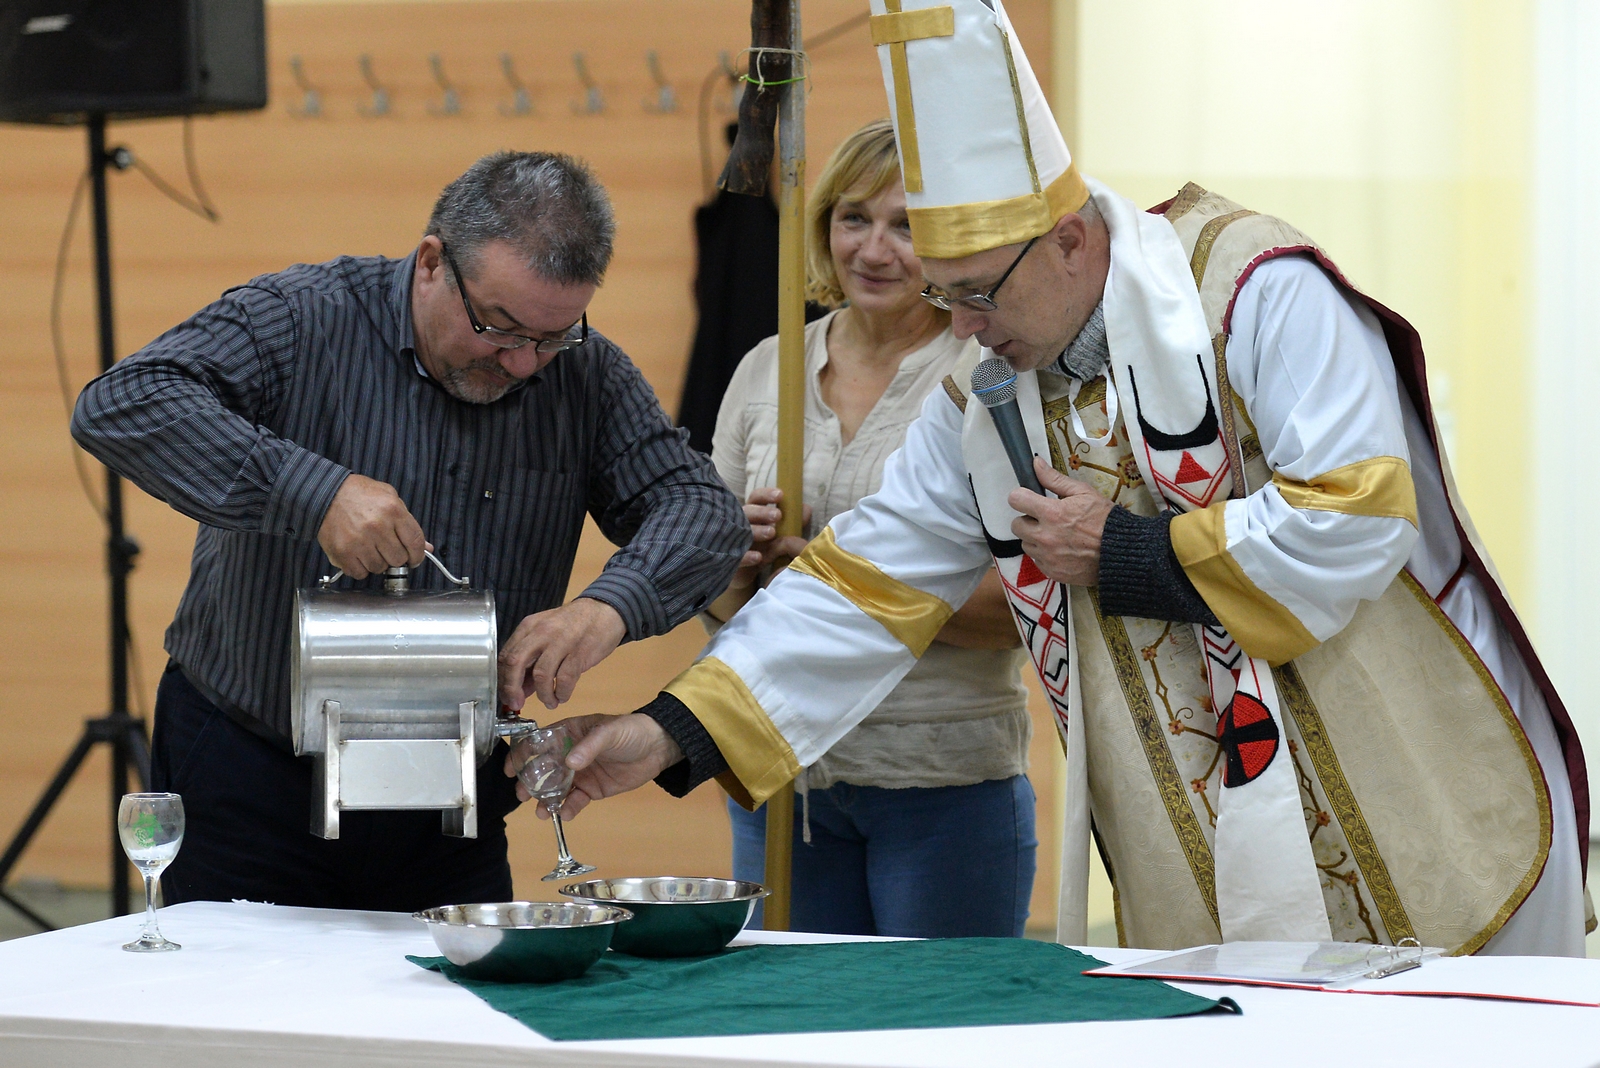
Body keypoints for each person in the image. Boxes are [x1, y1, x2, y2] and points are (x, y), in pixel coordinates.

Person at [515, 2, 1591, 956]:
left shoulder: (1250, 286)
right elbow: (860, 589)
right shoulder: (986, 395)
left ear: (1070, 239)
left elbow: (1354, 515)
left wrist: (1126, 551)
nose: (962, 330)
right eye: (945, 298)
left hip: (1411, 779)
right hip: (1210, 834)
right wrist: (667, 732)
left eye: (978, 293)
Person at [71, 151, 749, 912]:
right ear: (431, 263)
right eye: (499, 327)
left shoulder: (586, 377)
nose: (523, 363)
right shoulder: (299, 317)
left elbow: (704, 512)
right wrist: (315, 493)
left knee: (456, 986)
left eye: (553, 336)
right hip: (252, 774)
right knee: (246, 989)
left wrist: (606, 610)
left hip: (448, 804)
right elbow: (122, 404)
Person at [708, 119, 1034, 938]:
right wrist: (734, 565)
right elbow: (714, 601)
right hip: (780, 767)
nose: (874, 250)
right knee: (795, 1013)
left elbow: (1030, 608)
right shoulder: (767, 368)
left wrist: (841, 582)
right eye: (854, 218)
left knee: (932, 1014)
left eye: (907, 227)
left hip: (942, 781)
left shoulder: (994, 378)